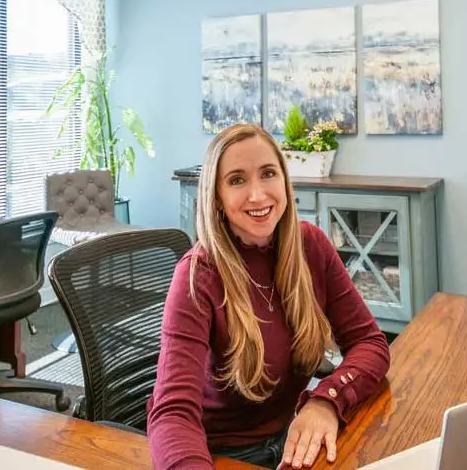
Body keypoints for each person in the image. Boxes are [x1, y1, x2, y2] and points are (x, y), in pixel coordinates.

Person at [146, 123, 391, 469]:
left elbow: (370, 343)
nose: (258, 195)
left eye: (268, 174)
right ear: (216, 197)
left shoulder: (311, 247)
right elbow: (172, 413)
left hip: (294, 435)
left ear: (284, 182)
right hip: (221, 454)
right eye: (237, 180)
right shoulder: (198, 275)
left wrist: (325, 401)